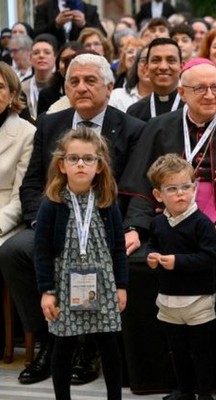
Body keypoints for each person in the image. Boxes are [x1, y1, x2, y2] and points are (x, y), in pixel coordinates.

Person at [119, 57, 216, 394]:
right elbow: (142, 188)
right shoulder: (159, 127)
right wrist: (136, 229)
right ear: (182, 92)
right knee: (136, 265)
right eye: (199, 88)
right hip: (167, 222)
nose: (209, 94)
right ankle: (162, 378)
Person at [0, 53, 144, 386]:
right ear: (65, 87)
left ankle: (89, 345)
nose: (81, 87)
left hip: (106, 224)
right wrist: (40, 222)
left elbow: (136, 186)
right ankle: (49, 338)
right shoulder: (51, 124)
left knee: (101, 255)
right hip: (53, 219)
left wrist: (131, 227)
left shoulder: (132, 128)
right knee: (13, 251)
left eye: (90, 80)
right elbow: (33, 183)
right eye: (74, 81)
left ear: (109, 87)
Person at [35, 126, 128, 400]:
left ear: (99, 166)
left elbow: (119, 249)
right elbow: (41, 251)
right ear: (61, 165)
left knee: (108, 344)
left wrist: (121, 285)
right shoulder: (51, 204)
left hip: (104, 283)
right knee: (63, 345)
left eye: (88, 159)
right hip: (64, 284)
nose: (80, 164)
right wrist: (46, 291)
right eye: (73, 158)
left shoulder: (107, 202)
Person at [146, 153, 216, 400]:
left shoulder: (202, 224)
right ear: (158, 195)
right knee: (177, 351)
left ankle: (205, 394)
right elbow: (151, 244)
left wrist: (177, 262)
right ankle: (185, 391)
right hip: (168, 300)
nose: (181, 194)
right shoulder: (157, 223)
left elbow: (209, 258)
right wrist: (151, 256)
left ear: (195, 188)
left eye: (186, 187)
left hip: (198, 300)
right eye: (172, 189)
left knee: (201, 351)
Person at [0, 63, 36, 245]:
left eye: (0, 87)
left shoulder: (27, 133)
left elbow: (20, 198)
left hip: (5, 219)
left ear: (12, 94)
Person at [127, 38, 183, 121]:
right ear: (146, 68)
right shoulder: (135, 112)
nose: (163, 67)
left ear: (181, 67)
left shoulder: (192, 109)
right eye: (156, 60)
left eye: (171, 60)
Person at [37, 41, 82, 115]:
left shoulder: (85, 91)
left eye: (72, 60)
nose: (67, 65)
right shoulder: (46, 94)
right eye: (64, 60)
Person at [34, 0, 105, 45]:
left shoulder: (89, 9)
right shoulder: (43, 9)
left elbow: (102, 35)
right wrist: (56, 24)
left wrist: (84, 24)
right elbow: (36, 35)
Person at [21, 33, 58, 119]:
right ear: (30, 58)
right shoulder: (22, 88)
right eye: (36, 53)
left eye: (47, 52)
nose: (41, 56)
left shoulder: (60, 86)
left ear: (55, 57)